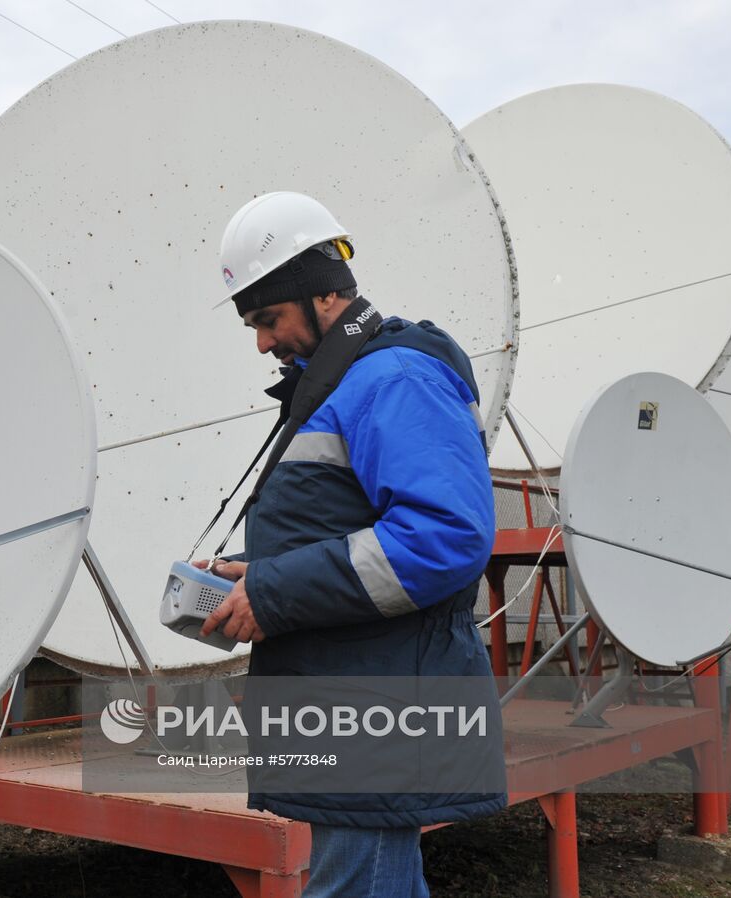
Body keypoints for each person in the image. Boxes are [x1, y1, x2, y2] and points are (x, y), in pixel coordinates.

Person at [198, 192, 505, 897]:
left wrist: (274, 593)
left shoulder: (394, 379)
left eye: (268, 319)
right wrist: (256, 573)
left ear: (323, 296)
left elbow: (444, 537)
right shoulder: (347, 382)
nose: (262, 343)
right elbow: (346, 531)